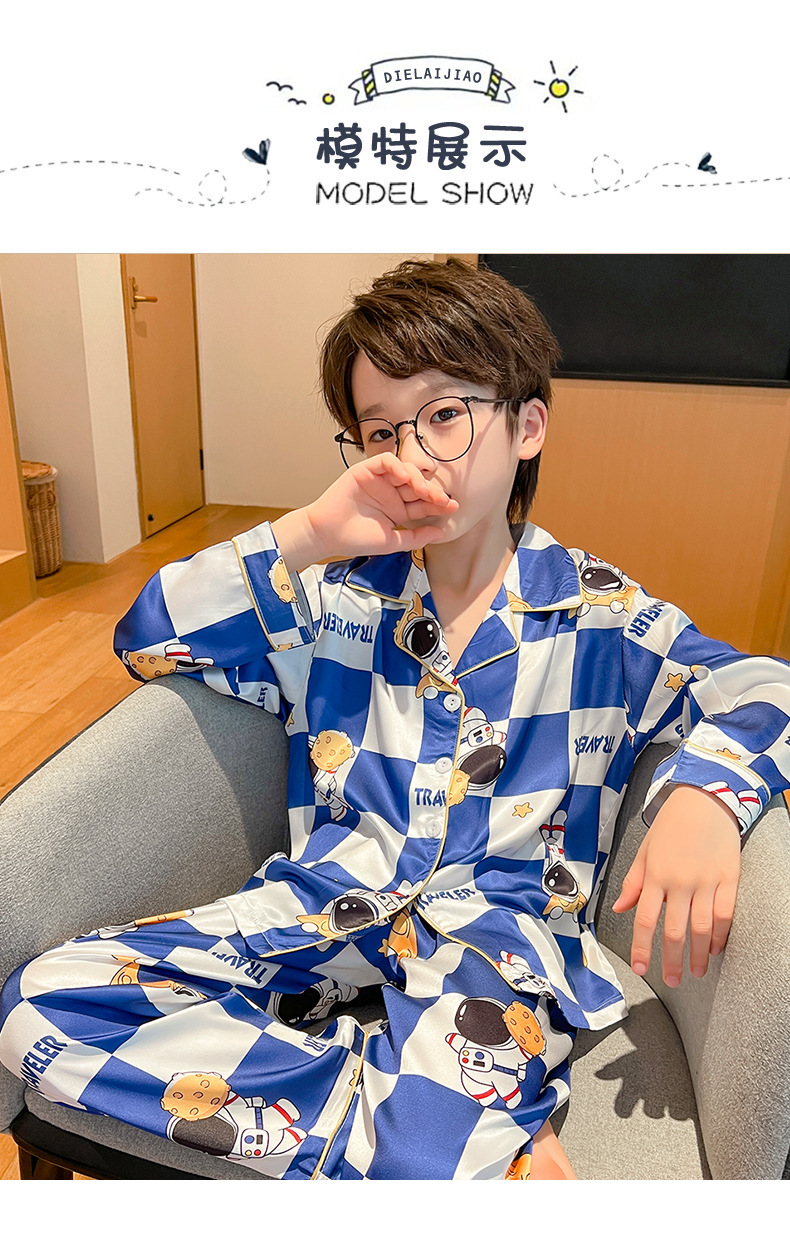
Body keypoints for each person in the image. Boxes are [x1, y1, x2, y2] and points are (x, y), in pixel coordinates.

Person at [1, 259, 789, 1182]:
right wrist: (306, 534)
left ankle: (430, 1128)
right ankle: (436, 1128)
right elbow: (148, 639)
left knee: (427, 1133)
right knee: (39, 1005)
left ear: (527, 426)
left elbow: (760, 684)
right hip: (322, 906)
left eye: (444, 414)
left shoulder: (601, 615)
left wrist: (705, 795)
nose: (410, 455)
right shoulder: (331, 601)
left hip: (492, 949)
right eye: (380, 430)